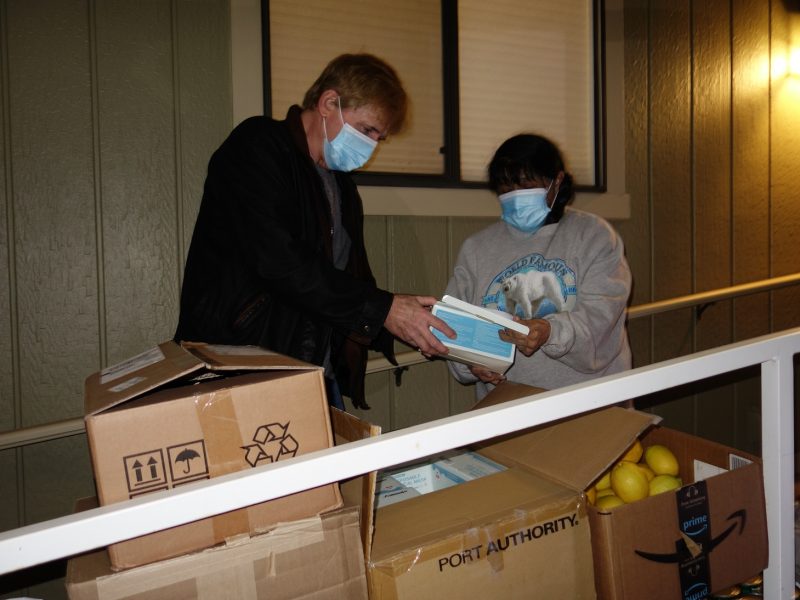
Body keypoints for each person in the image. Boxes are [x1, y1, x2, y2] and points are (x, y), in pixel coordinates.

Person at [175, 53, 453, 410]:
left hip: (313, 371)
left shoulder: (343, 187)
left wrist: (406, 319)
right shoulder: (257, 145)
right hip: (239, 368)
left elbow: (341, 280)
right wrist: (384, 309)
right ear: (328, 103)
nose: (371, 146)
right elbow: (278, 259)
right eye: (367, 129)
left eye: (379, 138)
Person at [443, 133, 632, 400]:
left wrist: (549, 331)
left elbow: (601, 321)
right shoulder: (477, 249)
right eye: (506, 190)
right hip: (508, 410)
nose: (516, 196)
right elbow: (457, 331)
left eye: (527, 186)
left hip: (591, 403)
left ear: (557, 181)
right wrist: (472, 364)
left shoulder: (593, 235)